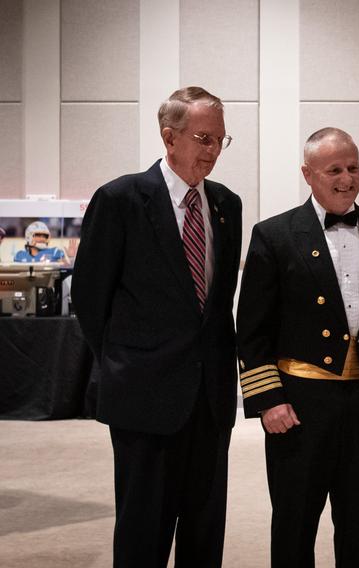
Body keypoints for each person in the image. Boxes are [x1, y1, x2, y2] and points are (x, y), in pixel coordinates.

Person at [237, 127, 359, 567]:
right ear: (308, 174)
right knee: (294, 519)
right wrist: (268, 400)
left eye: (354, 167)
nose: (347, 178)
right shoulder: (275, 235)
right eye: (334, 170)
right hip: (301, 403)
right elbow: (252, 328)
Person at [72, 86, 242, 567]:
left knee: (205, 534)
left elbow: (216, 304)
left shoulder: (227, 205)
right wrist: (125, 365)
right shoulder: (121, 199)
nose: (211, 152)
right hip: (143, 399)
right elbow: (89, 297)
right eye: (203, 138)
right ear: (169, 137)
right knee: (143, 533)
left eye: (220, 141)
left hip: (209, 399)